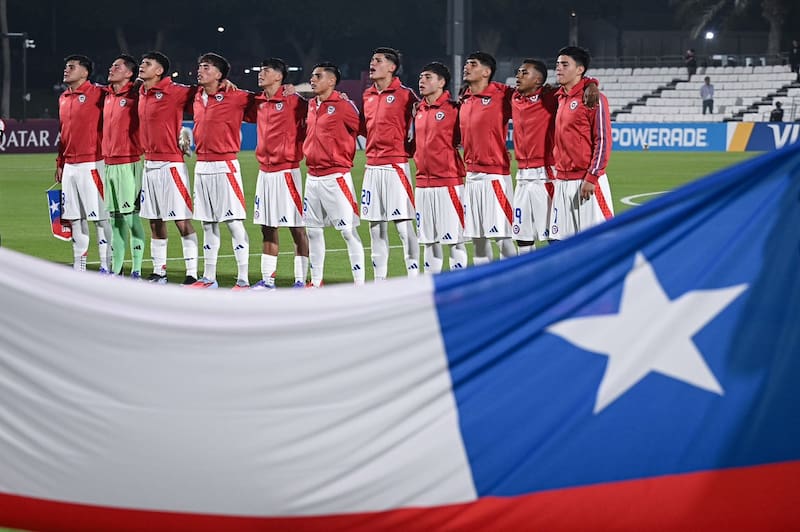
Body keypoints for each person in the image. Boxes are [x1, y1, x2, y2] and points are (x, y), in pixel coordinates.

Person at [187, 52, 254, 290]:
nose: (200, 71)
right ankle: (209, 278)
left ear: (219, 74)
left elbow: (265, 104)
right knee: (207, 223)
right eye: (200, 66)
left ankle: (243, 280)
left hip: (225, 165)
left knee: (233, 223)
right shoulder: (195, 96)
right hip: (201, 165)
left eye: (206, 67)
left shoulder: (237, 97)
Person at [137, 51, 199, 284]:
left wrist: (222, 83)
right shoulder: (141, 92)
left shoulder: (175, 91)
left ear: (159, 71)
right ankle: (159, 271)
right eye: (142, 63)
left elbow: (203, 91)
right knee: (154, 220)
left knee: (181, 220)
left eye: (147, 63)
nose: (142, 66)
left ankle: (192, 274)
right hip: (149, 164)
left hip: (171, 163)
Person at [247, 57, 309, 290]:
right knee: (267, 226)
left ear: (278, 76)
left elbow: (322, 95)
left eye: (265, 71)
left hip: (287, 172)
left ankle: (301, 280)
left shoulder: (294, 100)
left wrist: (301, 88)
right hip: (265, 173)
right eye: (260, 70)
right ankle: (268, 280)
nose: (260, 74)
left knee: (296, 226)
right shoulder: (257, 102)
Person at [303, 62, 365, 287]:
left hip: (336, 177)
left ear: (331, 81)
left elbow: (364, 127)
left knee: (348, 232)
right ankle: (316, 281)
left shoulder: (343, 105)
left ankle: (359, 285)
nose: (312, 79)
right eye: (312, 76)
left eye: (317, 76)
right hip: (312, 177)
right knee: (313, 232)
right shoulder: (311, 105)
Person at [360, 47, 420, 280]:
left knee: (404, 228)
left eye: (377, 60)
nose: (372, 64)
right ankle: (380, 281)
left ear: (392, 67)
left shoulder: (406, 95)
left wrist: (410, 150)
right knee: (375, 228)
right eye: (371, 60)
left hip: (396, 166)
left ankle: (413, 280)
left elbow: (423, 123)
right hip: (371, 167)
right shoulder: (367, 95)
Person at [55, 54, 113, 273]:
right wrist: (60, 162)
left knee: (100, 217)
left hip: (93, 163)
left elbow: (127, 93)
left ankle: (107, 265)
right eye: (66, 66)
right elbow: (63, 134)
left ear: (85, 72)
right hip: (70, 166)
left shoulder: (99, 93)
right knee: (75, 218)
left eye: (71, 67)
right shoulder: (63, 97)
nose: (66, 70)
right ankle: (79, 266)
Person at [459, 51, 517, 265]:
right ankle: (484, 290)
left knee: (503, 238)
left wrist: (591, 83)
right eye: (466, 63)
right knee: (478, 240)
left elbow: (535, 96)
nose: (466, 67)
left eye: (472, 64)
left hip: (495, 177)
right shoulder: (464, 98)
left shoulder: (503, 94)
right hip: (471, 177)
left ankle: (513, 286)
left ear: (486, 71)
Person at [551, 45, 613, 241]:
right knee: (561, 244)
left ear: (580, 69)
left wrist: (591, 177)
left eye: (564, 64)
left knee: (597, 243)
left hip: (586, 182)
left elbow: (602, 141)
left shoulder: (594, 98)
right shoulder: (559, 98)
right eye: (557, 64)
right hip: (561, 180)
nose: (558, 68)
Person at [413, 61, 467, 273]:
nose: (422, 81)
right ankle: (431, 286)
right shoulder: (419, 109)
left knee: (454, 239)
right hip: (422, 184)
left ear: (442, 82)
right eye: (420, 77)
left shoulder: (455, 109)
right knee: (429, 240)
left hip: (448, 182)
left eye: (427, 77)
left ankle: (458, 289)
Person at [102, 54, 146, 279]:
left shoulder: (137, 93)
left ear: (129, 73)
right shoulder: (107, 94)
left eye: (116, 66)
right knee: (115, 219)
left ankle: (137, 269)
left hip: (129, 163)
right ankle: (117, 270)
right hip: (108, 164)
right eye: (112, 65)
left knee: (130, 218)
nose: (111, 68)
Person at [510, 59, 558, 253]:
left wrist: (591, 83)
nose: (518, 76)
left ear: (538, 80)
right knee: (522, 237)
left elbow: (576, 88)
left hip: (544, 175)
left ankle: (559, 279)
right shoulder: (513, 98)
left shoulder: (550, 97)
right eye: (518, 72)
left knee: (554, 235)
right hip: (521, 177)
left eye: (524, 73)